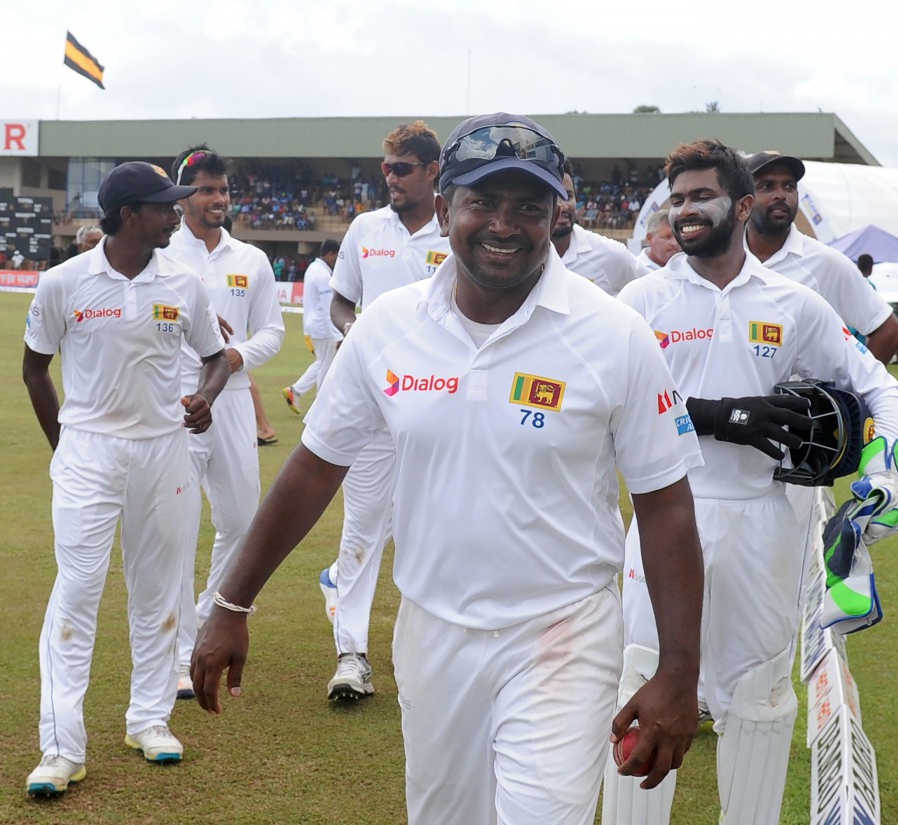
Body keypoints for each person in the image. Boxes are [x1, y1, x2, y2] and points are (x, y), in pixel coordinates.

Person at [191, 113, 705, 824]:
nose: (504, 223)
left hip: (562, 632)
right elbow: (313, 468)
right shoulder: (389, 325)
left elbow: (667, 503)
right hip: (433, 631)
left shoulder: (613, 332)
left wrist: (680, 668)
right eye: (481, 202)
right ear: (443, 209)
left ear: (557, 210)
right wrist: (231, 603)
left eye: (528, 205)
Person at [603, 139, 898, 825]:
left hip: (769, 525)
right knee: (644, 683)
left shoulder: (796, 304)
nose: (686, 211)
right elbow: (602, 411)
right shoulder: (638, 302)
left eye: (701, 196)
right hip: (663, 519)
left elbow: (882, 388)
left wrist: (887, 475)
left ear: (740, 206)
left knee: (762, 700)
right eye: (676, 199)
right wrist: (721, 415)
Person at [21, 161, 229, 796]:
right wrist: (67, 448)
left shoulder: (187, 284)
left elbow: (214, 359)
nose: (177, 214)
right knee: (78, 590)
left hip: (165, 453)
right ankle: (61, 747)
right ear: (129, 215)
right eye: (165, 207)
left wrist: (205, 399)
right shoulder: (63, 282)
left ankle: (150, 720)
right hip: (89, 453)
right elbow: (34, 370)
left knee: (159, 589)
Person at [319, 120, 451, 700]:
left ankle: (441, 650)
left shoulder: (457, 226)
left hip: (442, 404)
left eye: (402, 169)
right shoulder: (365, 228)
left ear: (432, 172)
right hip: (375, 400)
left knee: (441, 523)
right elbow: (342, 302)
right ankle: (351, 654)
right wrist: (356, 331)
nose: (391, 180)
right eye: (386, 170)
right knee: (362, 528)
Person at [165, 146, 285, 700]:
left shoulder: (251, 259)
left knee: (240, 521)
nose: (217, 200)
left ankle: (205, 622)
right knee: (178, 527)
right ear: (184, 194)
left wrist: (233, 358)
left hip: (232, 400)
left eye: (224, 190)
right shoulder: (161, 253)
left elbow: (272, 333)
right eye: (206, 190)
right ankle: (172, 653)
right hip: (176, 404)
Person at [744, 151, 898, 365]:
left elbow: (889, 333)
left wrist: (851, 395)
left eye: (789, 186)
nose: (781, 195)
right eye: (767, 186)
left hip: (798, 399)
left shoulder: (825, 262)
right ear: (743, 199)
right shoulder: (724, 259)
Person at [553, 159, 643, 296]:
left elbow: (654, 293)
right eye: (555, 198)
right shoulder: (521, 258)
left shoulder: (611, 255)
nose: (564, 206)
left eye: (568, 196)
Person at [282, 239, 343, 413]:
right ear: (330, 254)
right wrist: (338, 335)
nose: (337, 260)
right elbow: (327, 308)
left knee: (322, 363)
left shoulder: (313, 269)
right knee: (326, 366)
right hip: (324, 328)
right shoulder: (323, 275)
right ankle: (320, 406)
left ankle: (295, 391)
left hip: (315, 326)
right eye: (336, 256)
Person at [634, 207, 681, 274]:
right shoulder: (635, 271)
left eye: (678, 237)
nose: (675, 243)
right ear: (649, 238)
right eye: (667, 237)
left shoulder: (687, 269)